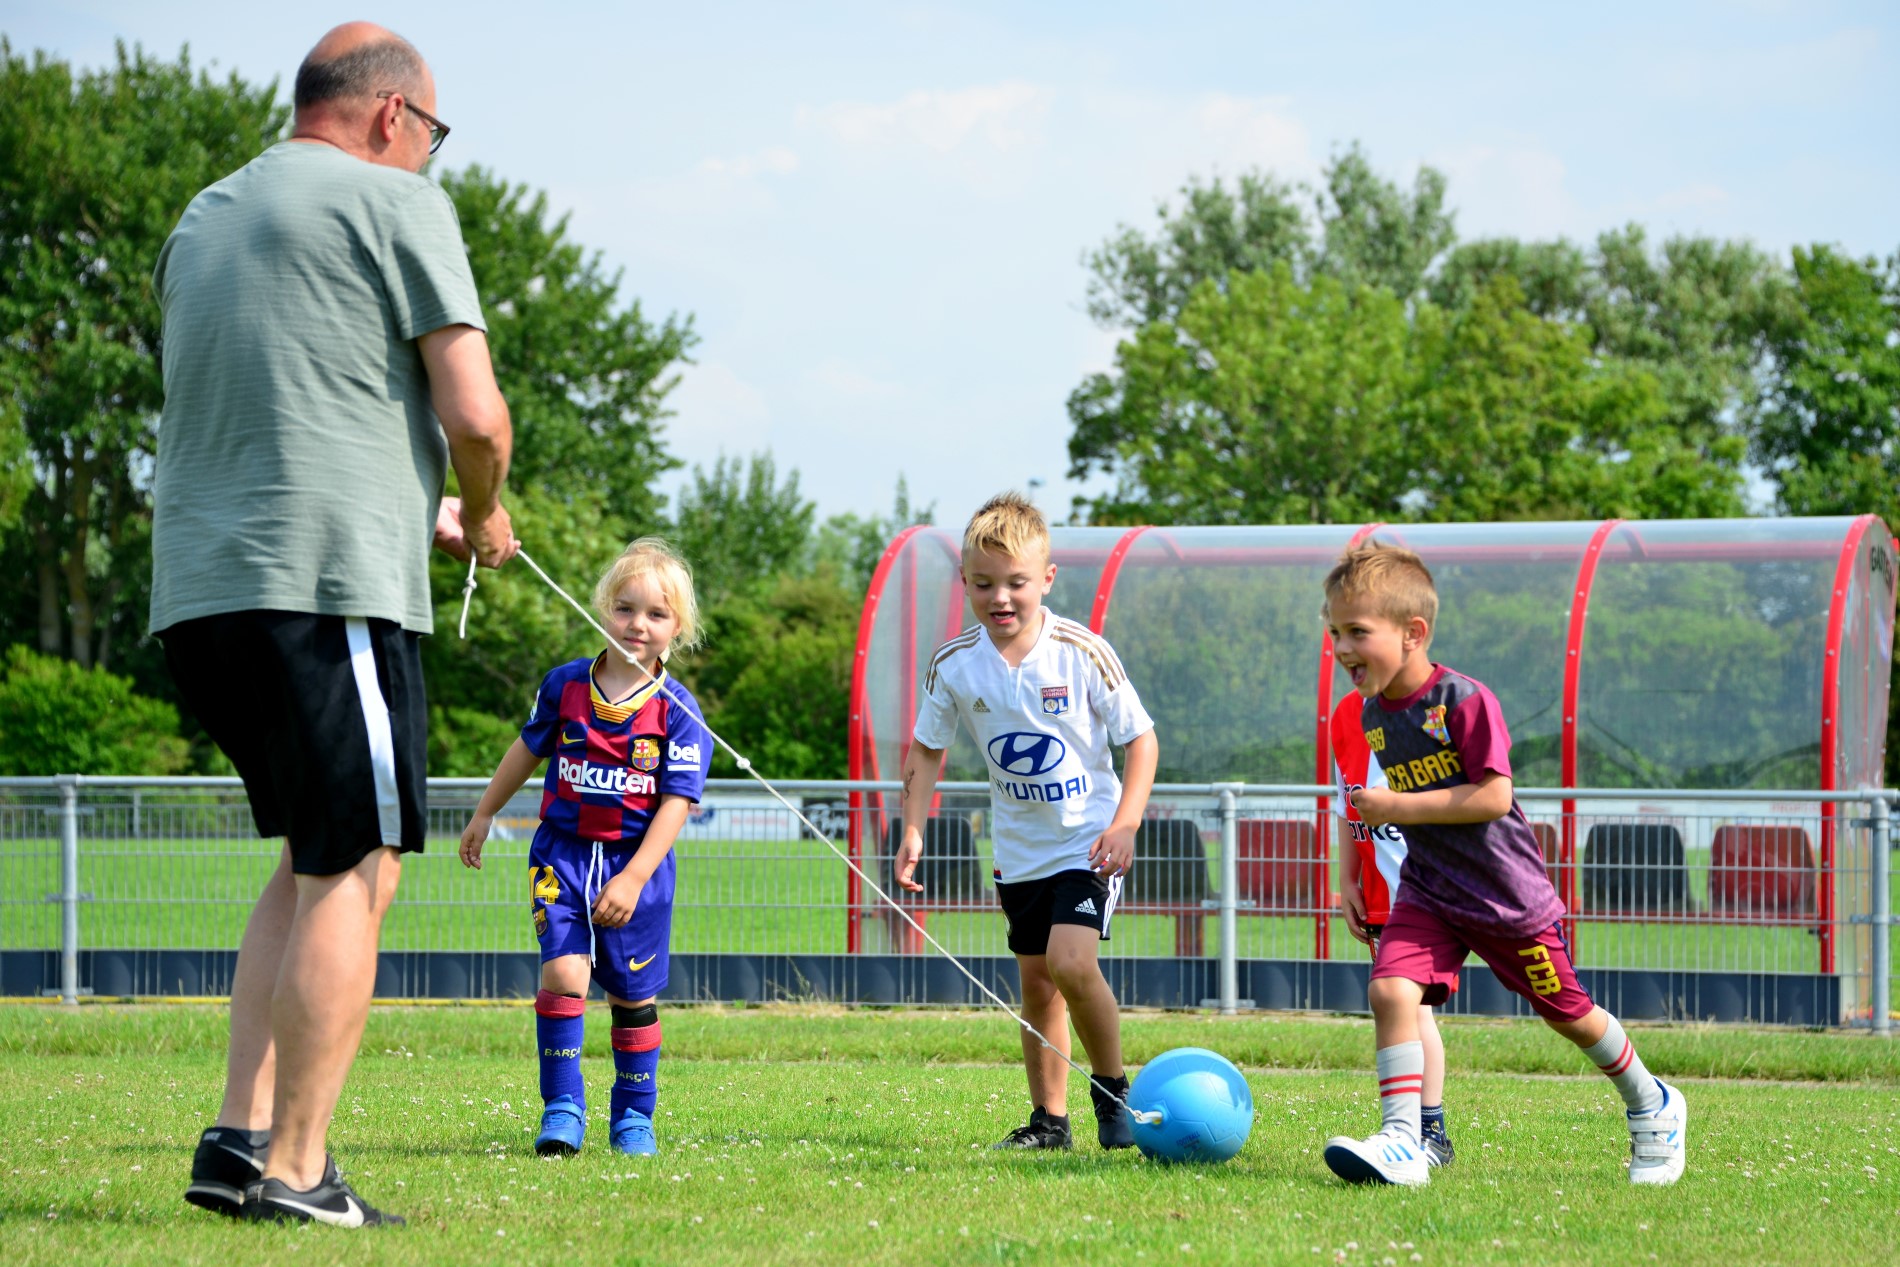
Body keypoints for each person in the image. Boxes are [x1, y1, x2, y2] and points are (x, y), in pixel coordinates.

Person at [153, 23, 516, 1228]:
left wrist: (423, 513)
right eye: (431, 133)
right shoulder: (394, 201)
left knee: (315, 860)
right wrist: (481, 499)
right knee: (360, 867)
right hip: (328, 594)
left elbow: (292, 406)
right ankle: (300, 1175)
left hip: (205, 599)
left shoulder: (205, 219)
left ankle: (237, 1138)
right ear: (390, 117)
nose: (426, 153)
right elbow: (476, 411)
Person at [1319, 542, 1686, 1187]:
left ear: (1414, 634)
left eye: (1357, 632)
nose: (1342, 649)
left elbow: (1495, 796)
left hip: (1502, 897)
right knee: (1389, 990)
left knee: (1568, 1014)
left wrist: (1397, 805)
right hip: (1429, 892)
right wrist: (1358, 848)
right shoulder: (1374, 713)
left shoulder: (1461, 699)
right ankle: (1404, 1140)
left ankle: (1652, 1102)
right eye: (1334, 632)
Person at [896, 492, 1159, 1151]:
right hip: (1018, 851)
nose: (1001, 598)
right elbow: (928, 748)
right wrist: (913, 828)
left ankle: (1111, 1092)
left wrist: (1125, 824)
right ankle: (1050, 1122)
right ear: (965, 584)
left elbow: (1142, 740)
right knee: (1038, 982)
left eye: (1016, 582)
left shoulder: (1082, 651)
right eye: (984, 584)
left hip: (1088, 841)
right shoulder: (955, 662)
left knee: (1071, 961)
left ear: (1047, 578)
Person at [458, 539, 709, 1159]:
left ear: (678, 627)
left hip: (635, 869)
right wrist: (486, 811)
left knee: (631, 995)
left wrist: (632, 880)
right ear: (603, 609)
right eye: (625, 609)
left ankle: (633, 1119)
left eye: (656, 614)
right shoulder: (566, 685)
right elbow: (527, 749)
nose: (637, 625)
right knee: (565, 974)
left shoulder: (678, 711)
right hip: (561, 857)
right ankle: (563, 1107)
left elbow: (676, 804)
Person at [1330, 687, 1455, 1168]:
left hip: (1427, 890)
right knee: (1404, 1007)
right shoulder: (1344, 714)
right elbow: (1347, 801)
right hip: (1383, 895)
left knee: (1411, 1006)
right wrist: (1347, 879)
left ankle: (1426, 1134)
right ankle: (1417, 1132)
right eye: (1341, 636)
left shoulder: (1432, 713)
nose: (1349, 651)